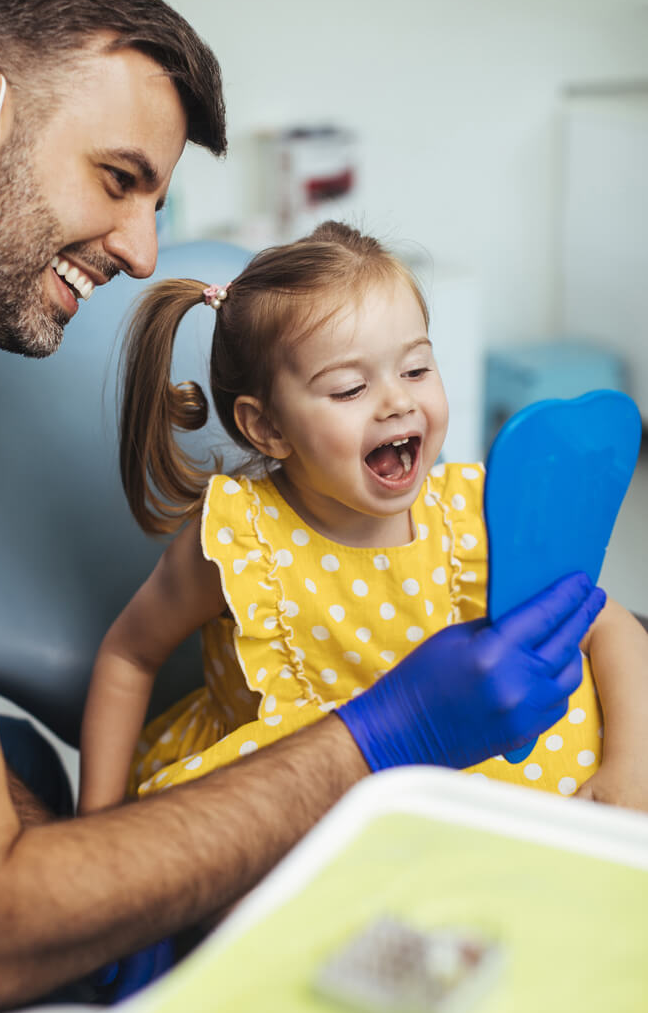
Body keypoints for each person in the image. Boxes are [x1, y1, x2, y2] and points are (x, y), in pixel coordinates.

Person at [0, 0, 605, 1013]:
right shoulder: (238, 532)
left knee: (17, 760)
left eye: (416, 367)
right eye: (119, 179)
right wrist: (389, 731)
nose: (141, 251)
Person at [79, 218, 648, 814]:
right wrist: (92, 828)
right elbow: (129, 656)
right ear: (267, 427)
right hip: (293, 791)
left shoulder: (477, 512)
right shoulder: (238, 542)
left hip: (462, 776)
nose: (399, 400)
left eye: (416, 369)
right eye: (350, 388)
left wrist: (629, 768)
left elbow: (605, 622)